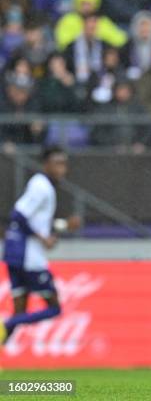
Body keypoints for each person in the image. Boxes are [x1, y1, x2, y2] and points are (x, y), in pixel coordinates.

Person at [1, 146, 81, 345]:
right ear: (46, 165)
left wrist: (62, 225)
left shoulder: (41, 185)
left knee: (20, 312)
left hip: (15, 254)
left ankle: (6, 327)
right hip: (29, 257)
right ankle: (4, 323)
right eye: (57, 163)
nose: (62, 168)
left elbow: (38, 222)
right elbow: (18, 215)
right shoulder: (42, 186)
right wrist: (44, 239)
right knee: (55, 308)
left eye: (64, 164)